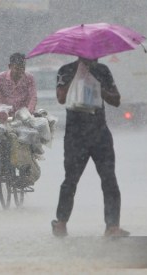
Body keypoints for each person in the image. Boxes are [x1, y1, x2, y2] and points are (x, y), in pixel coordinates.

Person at [51, 57, 130, 238]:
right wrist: (78, 77)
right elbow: (61, 98)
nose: (94, 56)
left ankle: (112, 226)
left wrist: (97, 89)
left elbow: (116, 100)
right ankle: (61, 223)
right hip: (75, 136)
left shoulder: (102, 70)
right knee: (70, 180)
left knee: (109, 179)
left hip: (99, 133)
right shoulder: (66, 70)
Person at [0, 52, 37, 185]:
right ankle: (1, 170)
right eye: (17, 67)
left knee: (26, 140)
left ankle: (26, 172)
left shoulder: (29, 78)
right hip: (4, 116)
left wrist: (29, 113)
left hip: (22, 116)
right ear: (10, 66)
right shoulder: (0, 78)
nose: (20, 71)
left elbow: (33, 97)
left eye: (23, 67)